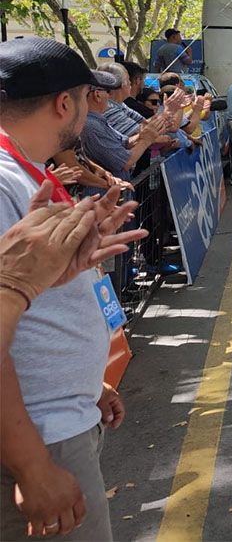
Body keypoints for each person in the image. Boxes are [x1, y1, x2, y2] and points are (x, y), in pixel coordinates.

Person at [0, 37, 150, 541]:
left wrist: (86, 385)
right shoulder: (4, 183)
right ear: (66, 103)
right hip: (42, 438)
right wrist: (31, 467)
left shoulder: (26, 171)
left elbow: (27, 302)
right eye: (88, 98)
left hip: (61, 415)